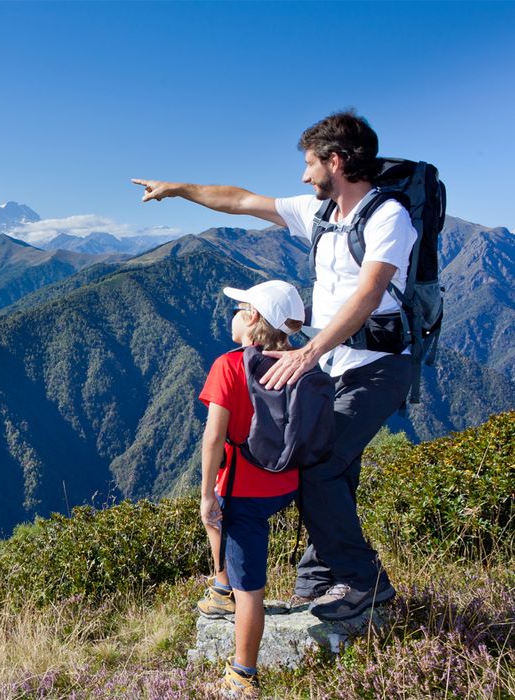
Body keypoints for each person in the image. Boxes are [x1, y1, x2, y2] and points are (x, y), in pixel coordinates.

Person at [133, 110, 414, 622]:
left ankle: (364, 582)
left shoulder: (388, 216)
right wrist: (177, 189)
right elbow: (240, 200)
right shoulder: (320, 213)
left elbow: (371, 292)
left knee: (320, 463)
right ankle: (318, 576)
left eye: (310, 164)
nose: (305, 176)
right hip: (331, 366)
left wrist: (308, 350)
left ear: (336, 160)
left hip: (378, 366)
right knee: (327, 462)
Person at [197, 280, 305, 697]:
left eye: (241, 308)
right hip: (287, 481)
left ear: (254, 318)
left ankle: (243, 675)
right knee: (220, 516)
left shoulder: (228, 365)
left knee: (251, 590)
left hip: (243, 490)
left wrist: (206, 494)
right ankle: (222, 586)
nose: (235, 314)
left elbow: (213, 438)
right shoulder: (297, 361)